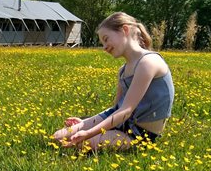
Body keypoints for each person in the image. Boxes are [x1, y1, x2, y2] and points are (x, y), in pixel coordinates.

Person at [53, 12, 174, 151]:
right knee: (58, 137)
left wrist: (88, 132)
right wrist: (87, 121)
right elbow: (116, 109)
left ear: (125, 30)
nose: (104, 47)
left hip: (140, 135)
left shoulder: (148, 62)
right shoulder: (123, 70)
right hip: (121, 124)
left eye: (106, 39)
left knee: (79, 144)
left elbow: (126, 111)